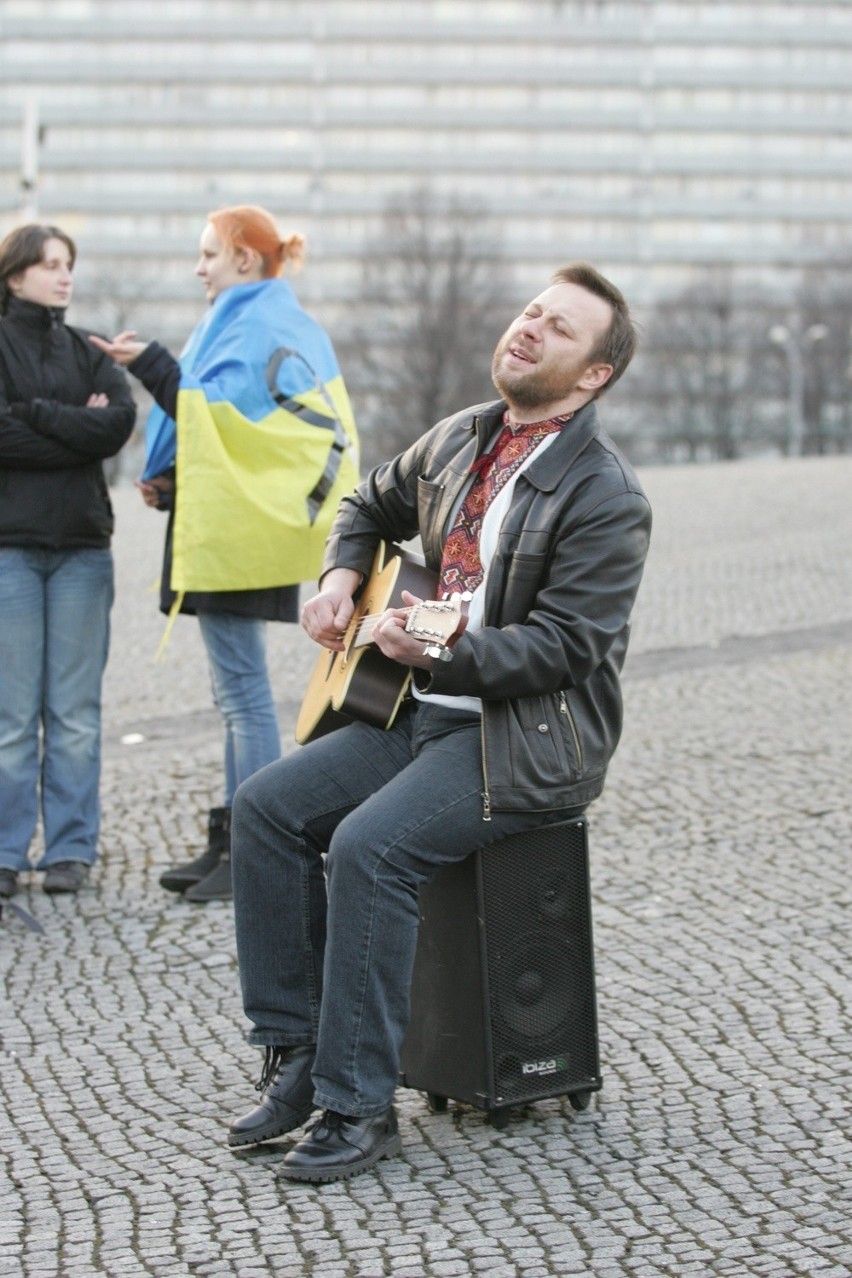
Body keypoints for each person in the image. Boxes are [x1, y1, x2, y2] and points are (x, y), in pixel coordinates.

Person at [225, 261, 653, 1183]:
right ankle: (296, 1053)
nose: (529, 329)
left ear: (592, 376)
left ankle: (356, 1105)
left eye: (559, 329)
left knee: (371, 848)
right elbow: (366, 502)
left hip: (522, 742)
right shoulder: (463, 437)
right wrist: (340, 577)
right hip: (408, 710)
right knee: (265, 808)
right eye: (531, 311)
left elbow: (565, 647)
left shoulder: (605, 494)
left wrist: (440, 655)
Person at [91, 206, 358, 903]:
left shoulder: (259, 323)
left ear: (244, 258)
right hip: (230, 521)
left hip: (244, 531)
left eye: (209, 254)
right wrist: (178, 482)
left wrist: (151, 363)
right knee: (233, 695)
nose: (198, 266)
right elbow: (234, 433)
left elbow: (219, 417)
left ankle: (257, 848)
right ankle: (234, 836)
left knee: (243, 698)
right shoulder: (248, 318)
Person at [0, 224, 136, 899]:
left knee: (76, 712)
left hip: (83, 550)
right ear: (15, 274)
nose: (63, 276)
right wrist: (73, 430)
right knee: (13, 715)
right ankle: (4, 850)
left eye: (68, 265)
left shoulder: (86, 349)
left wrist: (34, 415)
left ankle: (70, 849)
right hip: (10, 551)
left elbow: (117, 424)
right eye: (50, 265)